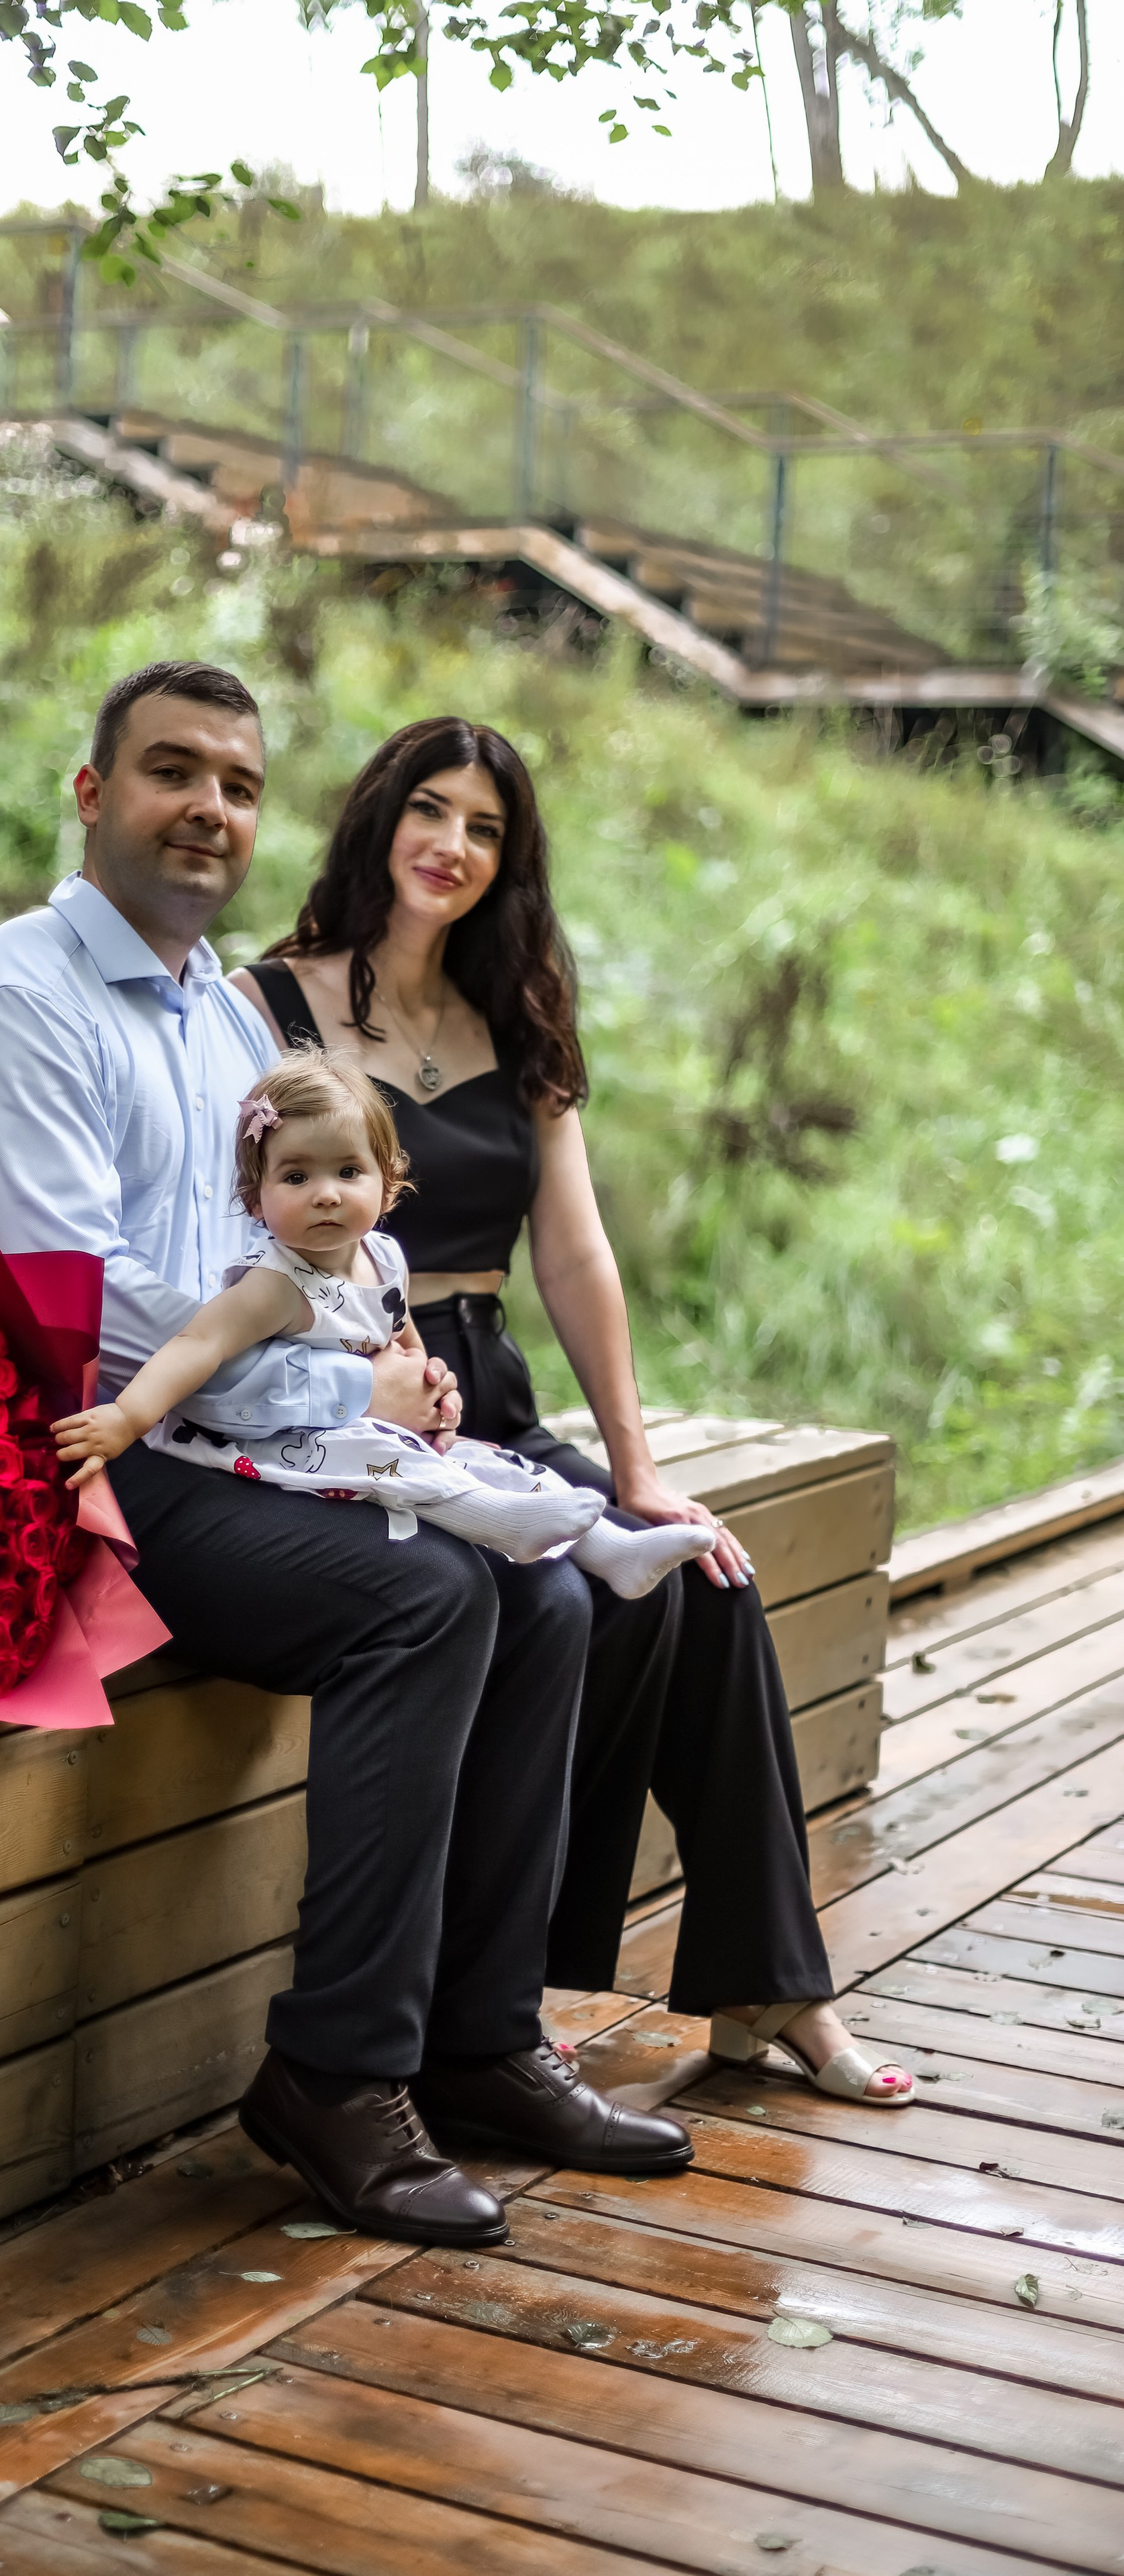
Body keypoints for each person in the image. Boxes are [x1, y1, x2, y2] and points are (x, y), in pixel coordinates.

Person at [0, 661, 695, 2251]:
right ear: (89, 793)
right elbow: (82, 1304)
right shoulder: (19, 999)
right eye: (169, 771)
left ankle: (475, 2040)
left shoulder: (216, 1011)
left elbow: (276, 1253)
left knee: (538, 1592)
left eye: (237, 785)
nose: (207, 808)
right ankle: (335, 2073)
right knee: (423, 1599)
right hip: (64, 1450)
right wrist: (327, 1371)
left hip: (221, 1422)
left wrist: (365, 1368)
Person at [234, 716, 914, 2107]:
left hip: (490, 1384)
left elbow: (575, 1254)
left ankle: (766, 1989)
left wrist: (635, 1468)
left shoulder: (518, 1018)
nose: (452, 847)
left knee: (701, 1577)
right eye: (430, 812)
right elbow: (229, 1232)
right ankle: (506, 2003)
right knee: (598, 1602)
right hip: (357, 1385)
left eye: (485, 830)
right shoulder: (266, 1007)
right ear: (377, 820)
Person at [53, 1045, 717, 1596]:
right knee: (405, 1466)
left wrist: (434, 1388)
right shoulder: (276, 1286)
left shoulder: (385, 1257)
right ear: (256, 1198)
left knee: (497, 1460)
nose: (326, 1192)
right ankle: (507, 1525)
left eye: (347, 1170)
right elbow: (195, 1345)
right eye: (296, 1176)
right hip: (292, 1446)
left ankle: (611, 1552)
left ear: (387, 1182)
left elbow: (402, 1339)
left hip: (381, 1428)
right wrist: (126, 1417)